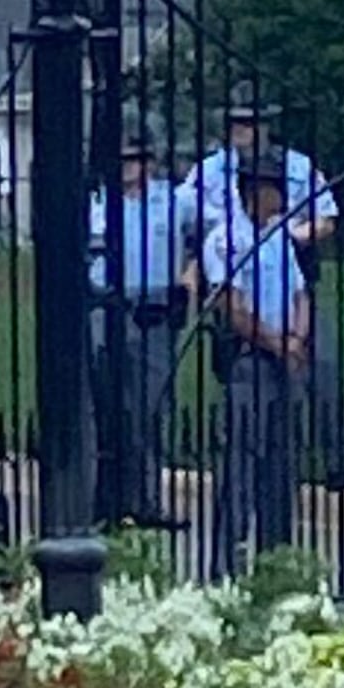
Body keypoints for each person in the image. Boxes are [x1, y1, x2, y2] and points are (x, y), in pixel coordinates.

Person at [199, 147, 314, 563]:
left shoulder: (278, 234)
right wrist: (278, 343)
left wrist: (298, 337)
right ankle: (227, 564)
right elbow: (232, 308)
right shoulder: (227, 239)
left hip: (286, 355)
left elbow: (301, 291)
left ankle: (276, 558)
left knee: (281, 463)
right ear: (253, 191)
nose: (282, 196)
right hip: (248, 357)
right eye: (274, 188)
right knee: (241, 462)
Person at [95, 109, 195, 525]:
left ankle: (147, 499)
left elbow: (205, 240)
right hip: (105, 306)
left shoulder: (173, 202)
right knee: (105, 406)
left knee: (150, 407)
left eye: (133, 159)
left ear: (149, 162)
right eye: (119, 161)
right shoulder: (96, 204)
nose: (126, 168)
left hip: (152, 307)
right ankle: (104, 502)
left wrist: (187, 283)